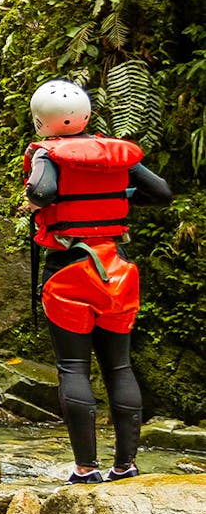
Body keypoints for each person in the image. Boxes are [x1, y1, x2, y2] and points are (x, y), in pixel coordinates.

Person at [25, 80, 170, 483]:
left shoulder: (46, 152)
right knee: (119, 367)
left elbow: (44, 191)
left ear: (41, 121)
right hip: (118, 270)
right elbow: (160, 191)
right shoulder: (114, 152)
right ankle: (125, 464)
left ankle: (86, 467)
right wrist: (121, 195)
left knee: (73, 367)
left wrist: (35, 200)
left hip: (71, 271)